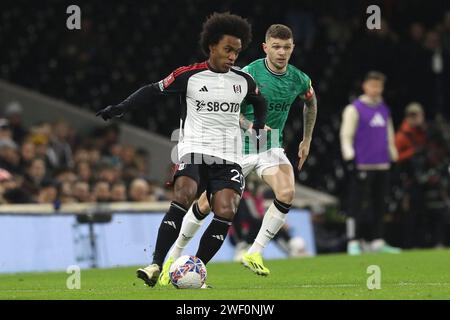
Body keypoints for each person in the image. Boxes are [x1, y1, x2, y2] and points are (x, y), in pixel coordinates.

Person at [96, 12, 267, 287]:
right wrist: (120, 108)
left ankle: (195, 269)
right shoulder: (188, 76)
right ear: (212, 46)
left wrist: (259, 125)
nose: (233, 56)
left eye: (237, 51)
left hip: (229, 157)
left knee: (226, 210)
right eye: (227, 49)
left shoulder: (243, 82)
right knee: (184, 195)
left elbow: (260, 102)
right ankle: (155, 264)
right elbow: (152, 90)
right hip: (194, 149)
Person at [158, 24, 317, 283]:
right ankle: (173, 256)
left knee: (287, 192)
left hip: (270, 146)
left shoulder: (299, 78)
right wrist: (250, 125)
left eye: (286, 47)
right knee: (206, 205)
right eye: (276, 47)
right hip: (237, 148)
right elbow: (232, 110)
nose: (281, 52)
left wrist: (307, 139)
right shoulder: (248, 74)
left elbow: (310, 101)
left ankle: (254, 253)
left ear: (292, 48)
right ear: (265, 47)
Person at [340, 71, 400, 255]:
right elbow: (346, 135)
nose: (375, 89)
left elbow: (389, 136)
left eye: (379, 86)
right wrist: (349, 158)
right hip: (362, 164)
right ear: (365, 86)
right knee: (356, 205)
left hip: (382, 164)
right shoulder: (354, 108)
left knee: (380, 205)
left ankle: (378, 241)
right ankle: (353, 241)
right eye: (372, 85)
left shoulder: (384, 109)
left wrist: (394, 156)